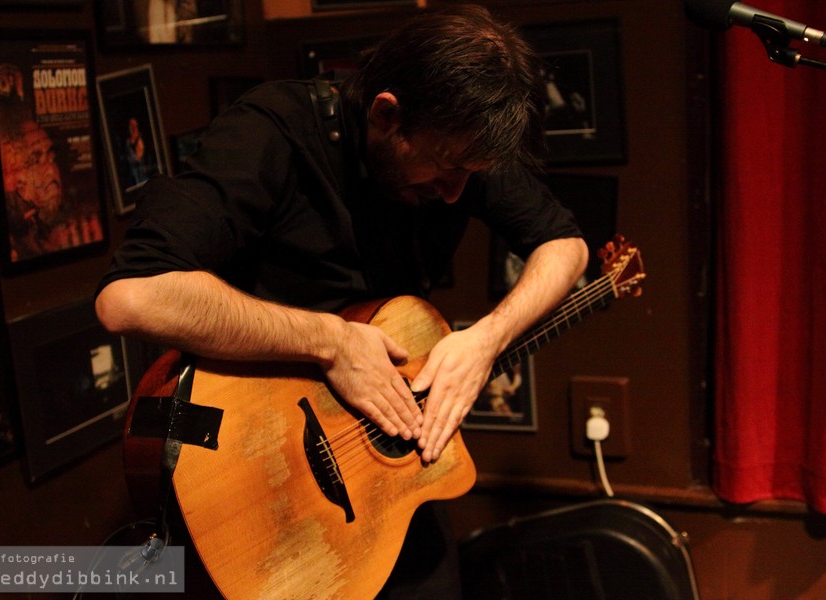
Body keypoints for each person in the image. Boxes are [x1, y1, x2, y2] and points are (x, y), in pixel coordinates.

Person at [96, 4, 588, 596]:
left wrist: (487, 340)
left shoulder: (461, 143)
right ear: (388, 115)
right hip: (264, 475)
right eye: (447, 168)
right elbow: (130, 297)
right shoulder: (272, 129)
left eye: (472, 174)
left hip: (387, 460)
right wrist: (330, 341)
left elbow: (566, 246)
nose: (458, 193)